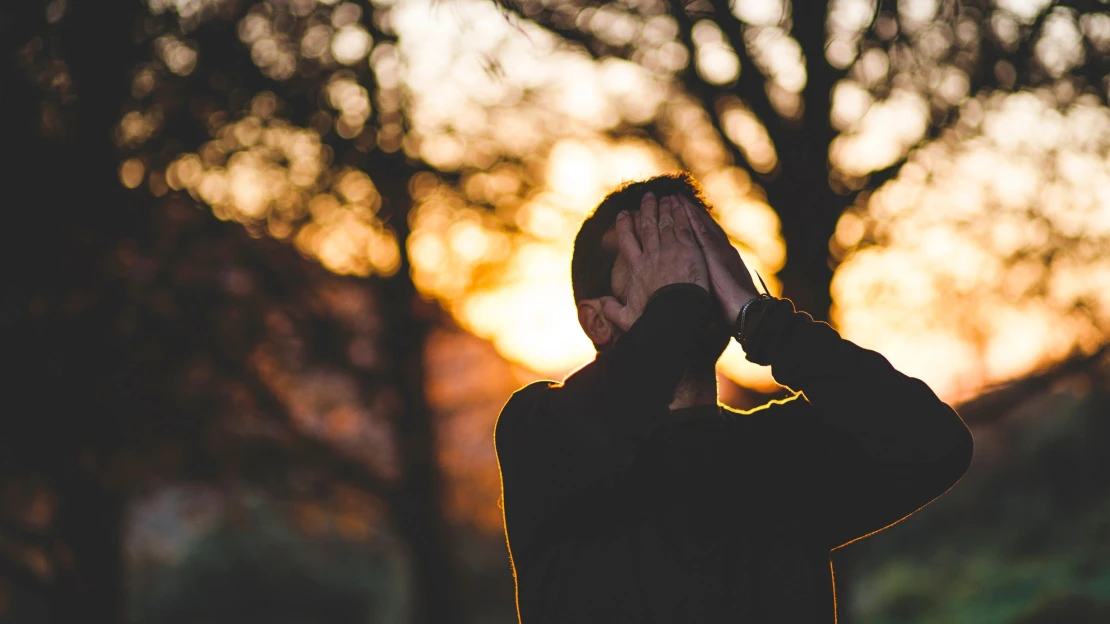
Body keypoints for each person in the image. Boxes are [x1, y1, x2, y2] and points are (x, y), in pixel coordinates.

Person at [494, 172, 974, 623]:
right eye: (657, 256)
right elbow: (606, 422)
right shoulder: (538, 430)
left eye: (699, 252)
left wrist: (759, 317)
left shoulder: (784, 450)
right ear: (597, 320)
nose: (688, 273)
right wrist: (676, 302)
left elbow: (936, 442)